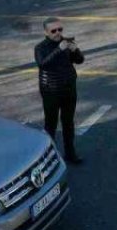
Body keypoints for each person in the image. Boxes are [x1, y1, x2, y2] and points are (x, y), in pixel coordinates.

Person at [35, 17, 84, 163]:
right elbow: (43, 64)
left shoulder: (66, 42)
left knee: (68, 122)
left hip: (69, 87)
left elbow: (80, 60)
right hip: (50, 89)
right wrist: (58, 50)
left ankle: (70, 153)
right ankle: (48, 158)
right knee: (51, 124)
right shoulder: (40, 47)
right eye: (53, 30)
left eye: (60, 29)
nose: (58, 33)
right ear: (46, 32)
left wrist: (75, 50)